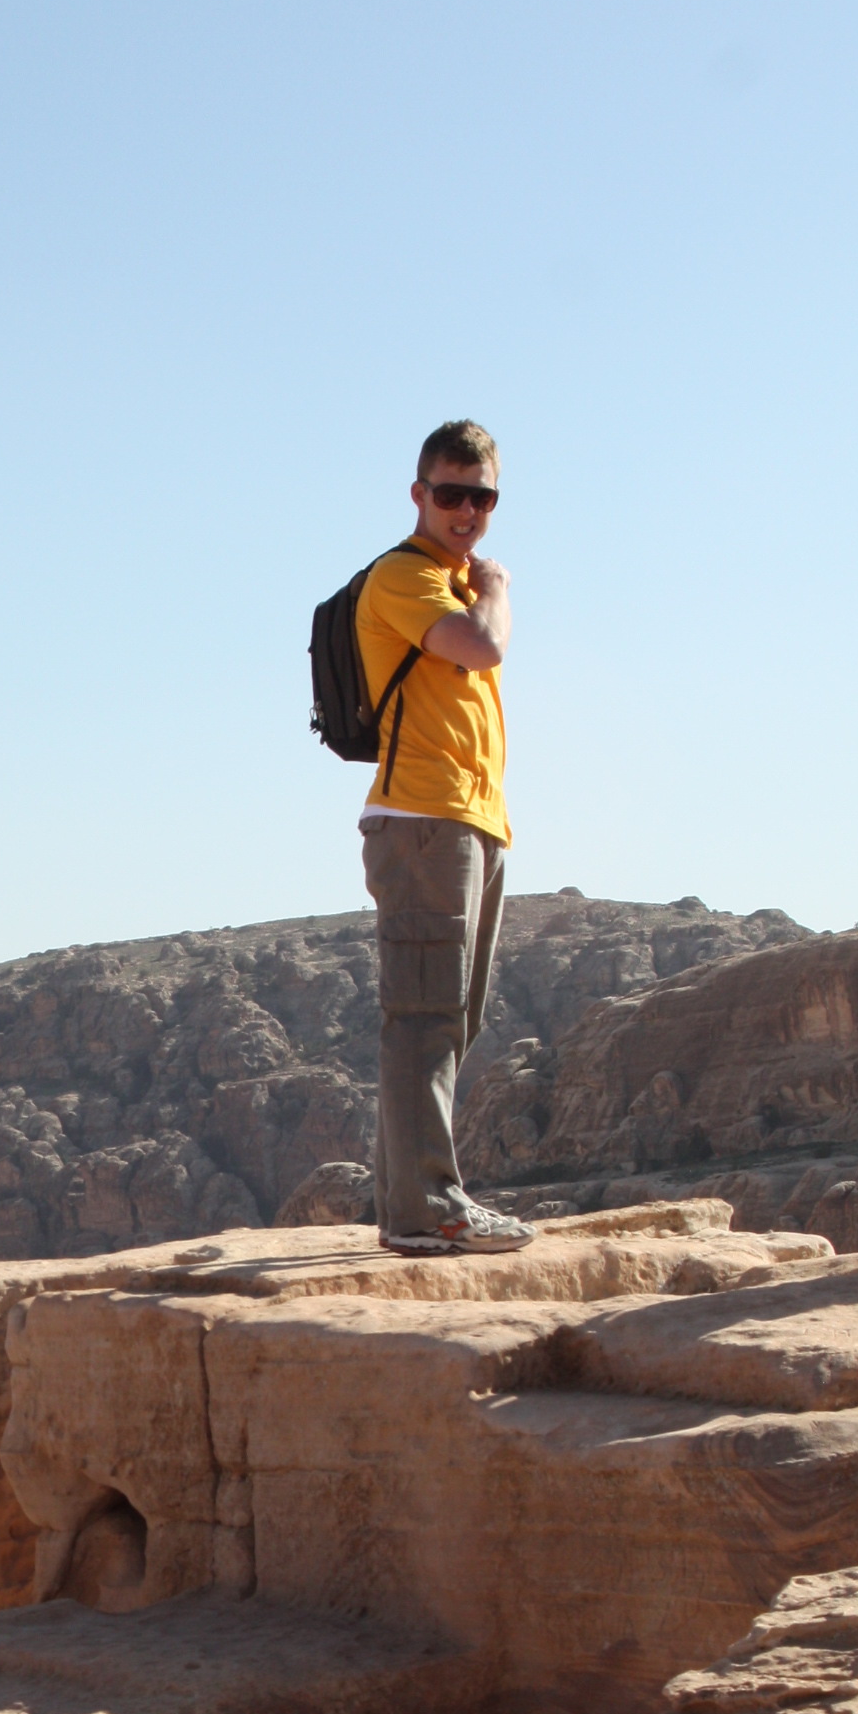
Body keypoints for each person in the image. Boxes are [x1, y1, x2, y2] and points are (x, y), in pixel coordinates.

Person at [355, 419, 536, 1255]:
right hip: (426, 823)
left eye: (482, 498)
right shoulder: (406, 576)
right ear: (419, 494)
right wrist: (494, 584)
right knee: (425, 1018)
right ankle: (428, 1209)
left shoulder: (450, 583)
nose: (468, 511)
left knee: (448, 1019)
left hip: (468, 820)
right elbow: (482, 646)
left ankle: (411, 1207)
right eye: (453, 494)